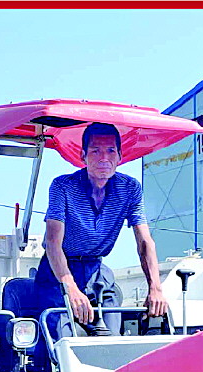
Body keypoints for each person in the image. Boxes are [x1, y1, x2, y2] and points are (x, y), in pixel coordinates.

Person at [34, 122, 168, 336]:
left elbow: (144, 242)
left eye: (111, 151)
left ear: (120, 156)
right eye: (96, 151)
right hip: (58, 273)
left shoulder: (130, 188)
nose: (104, 158)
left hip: (97, 271)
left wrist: (156, 288)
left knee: (111, 337)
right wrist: (70, 287)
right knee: (61, 337)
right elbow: (52, 242)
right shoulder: (62, 186)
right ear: (83, 156)